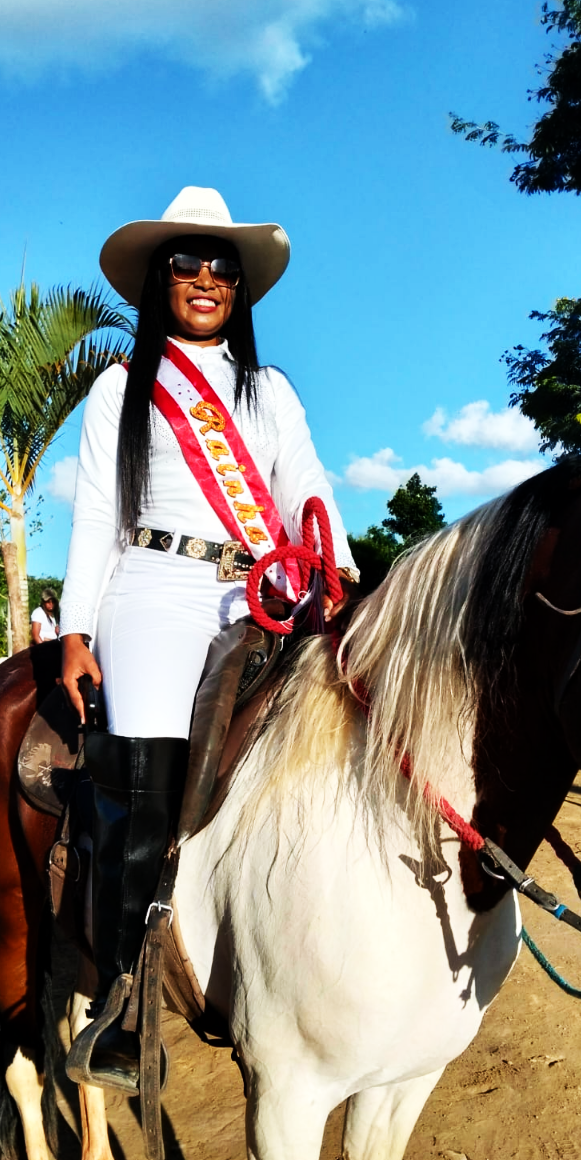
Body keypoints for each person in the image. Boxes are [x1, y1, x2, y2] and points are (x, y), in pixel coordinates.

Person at [60, 186, 359, 1091]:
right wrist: (76, 628)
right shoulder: (122, 386)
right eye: (186, 262)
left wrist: (338, 581)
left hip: (257, 589)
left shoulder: (269, 390)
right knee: (147, 769)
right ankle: (123, 996)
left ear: (240, 287)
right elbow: (98, 516)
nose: (204, 278)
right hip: (154, 585)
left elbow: (306, 486)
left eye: (221, 266)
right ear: (160, 280)